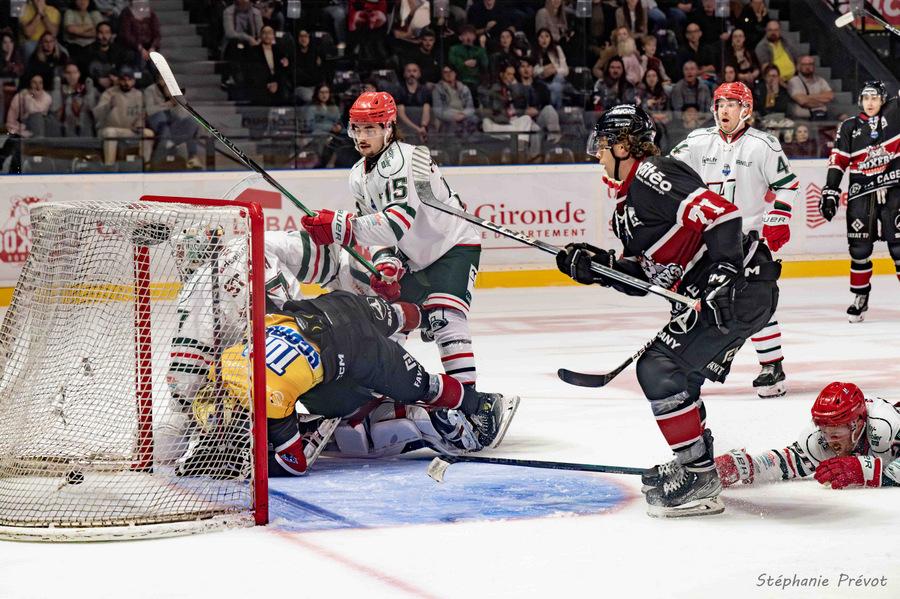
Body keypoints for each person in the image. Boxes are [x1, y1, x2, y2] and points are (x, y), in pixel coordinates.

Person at [556, 104, 781, 517]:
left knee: (658, 368)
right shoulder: (625, 208)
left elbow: (723, 216)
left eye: (604, 145)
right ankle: (695, 464)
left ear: (624, 145)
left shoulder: (651, 173)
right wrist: (597, 268)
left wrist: (722, 276)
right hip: (728, 293)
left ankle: (698, 476)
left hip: (739, 288)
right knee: (677, 373)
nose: (598, 154)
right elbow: (645, 277)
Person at [300, 93, 519, 435]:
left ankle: (473, 407)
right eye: (356, 128)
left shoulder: (401, 161)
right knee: (389, 324)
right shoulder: (358, 173)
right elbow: (381, 232)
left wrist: (340, 226)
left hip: (452, 244)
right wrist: (388, 262)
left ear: (389, 128)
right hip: (414, 256)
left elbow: (395, 222)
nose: (361, 136)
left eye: (370, 128)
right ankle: (378, 399)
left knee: (445, 316)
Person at [175, 290, 515, 478]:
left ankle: (477, 405)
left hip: (355, 347)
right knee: (391, 316)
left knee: (422, 386)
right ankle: (426, 314)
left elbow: (294, 464)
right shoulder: (228, 361)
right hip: (319, 308)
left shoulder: (270, 400)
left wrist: (249, 463)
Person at [670, 82, 798, 398]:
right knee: (696, 302)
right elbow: (669, 173)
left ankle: (772, 366)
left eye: (731, 104)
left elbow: (788, 184)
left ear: (746, 110)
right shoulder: (698, 142)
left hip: (748, 242)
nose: (723, 110)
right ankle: (691, 364)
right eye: (720, 103)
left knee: (756, 303)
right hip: (705, 242)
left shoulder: (763, 145)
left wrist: (779, 216)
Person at [715, 382, 900, 489]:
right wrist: (746, 466)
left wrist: (870, 472)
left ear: (858, 423)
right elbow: (789, 461)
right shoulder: (817, 438)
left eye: (836, 432)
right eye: (825, 431)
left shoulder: (886, 425)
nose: (830, 441)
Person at [819, 81, 900, 323]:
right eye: (866, 98)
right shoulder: (849, 126)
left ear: (883, 100)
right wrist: (830, 190)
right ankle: (860, 297)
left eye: (875, 98)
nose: (871, 102)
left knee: (899, 247)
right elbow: (839, 159)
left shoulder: (896, 115)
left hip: (894, 188)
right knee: (859, 250)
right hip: (861, 191)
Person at [92, 65, 153, 166]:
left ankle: (144, 165)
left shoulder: (139, 95)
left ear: (133, 81)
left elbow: (142, 115)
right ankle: (109, 166)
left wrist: (139, 124)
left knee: (148, 134)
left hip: (129, 130)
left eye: (129, 80)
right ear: (119, 80)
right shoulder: (109, 93)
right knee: (110, 133)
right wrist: (109, 105)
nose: (126, 83)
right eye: (124, 80)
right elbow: (97, 115)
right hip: (110, 129)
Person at [51, 61, 97, 137]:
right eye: (68, 73)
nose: (72, 76)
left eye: (75, 72)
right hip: (64, 128)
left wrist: (89, 93)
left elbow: (93, 109)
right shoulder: (60, 90)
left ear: (79, 74)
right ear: (64, 75)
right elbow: (55, 110)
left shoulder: (86, 89)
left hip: (84, 128)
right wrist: (56, 90)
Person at [431, 63, 479, 136]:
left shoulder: (464, 88)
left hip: (463, 114)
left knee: (474, 119)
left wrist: (463, 114)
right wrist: (453, 116)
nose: (448, 74)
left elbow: (471, 108)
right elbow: (437, 110)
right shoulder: (437, 89)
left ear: (455, 73)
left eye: (451, 72)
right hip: (448, 115)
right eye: (445, 72)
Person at [786, 55, 833, 121]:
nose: (807, 67)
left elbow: (829, 96)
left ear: (814, 66)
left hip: (821, 117)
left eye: (810, 64)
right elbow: (802, 101)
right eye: (804, 64)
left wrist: (808, 97)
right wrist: (821, 101)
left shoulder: (821, 80)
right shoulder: (794, 81)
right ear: (798, 67)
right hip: (801, 119)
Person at [395, 62, 432, 143]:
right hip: (404, 128)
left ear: (419, 74)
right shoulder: (399, 90)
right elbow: (401, 114)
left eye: (414, 71)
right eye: (409, 71)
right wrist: (417, 129)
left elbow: (426, 110)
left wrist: (423, 127)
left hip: (422, 127)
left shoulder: (425, 90)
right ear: (404, 74)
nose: (411, 73)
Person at [534, 27, 569, 109]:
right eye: (541, 37)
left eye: (547, 36)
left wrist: (555, 70)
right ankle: (557, 111)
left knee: (557, 82)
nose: (544, 39)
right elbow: (534, 72)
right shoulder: (534, 52)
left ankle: (551, 109)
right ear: (538, 39)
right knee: (557, 87)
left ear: (550, 38)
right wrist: (545, 69)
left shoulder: (557, 49)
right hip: (542, 81)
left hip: (556, 79)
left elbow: (566, 70)